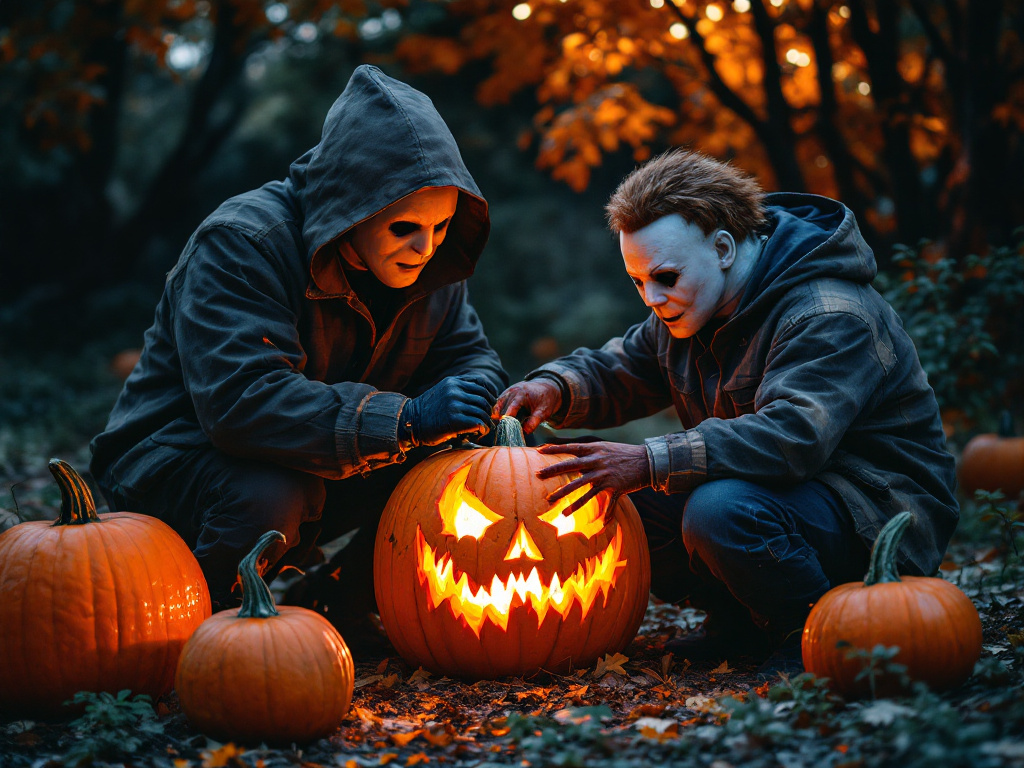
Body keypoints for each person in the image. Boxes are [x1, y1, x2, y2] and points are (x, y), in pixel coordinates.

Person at [494, 148, 958, 676]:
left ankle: (811, 637)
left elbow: (793, 436)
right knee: (609, 500)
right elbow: (622, 369)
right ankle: (742, 623)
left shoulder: (827, 312)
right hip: (787, 502)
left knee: (718, 509)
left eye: (665, 276)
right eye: (638, 282)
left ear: (722, 247)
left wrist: (650, 459)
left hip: (875, 515)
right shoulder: (694, 307)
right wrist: (556, 387)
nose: (652, 297)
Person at [90, 65, 507, 632]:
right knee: (272, 494)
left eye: (440, 227)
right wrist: (407, 419)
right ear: (353, 209)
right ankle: (190, 632)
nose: (425, 247)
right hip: (180, 461)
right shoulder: (243, 243)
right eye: (405, 227)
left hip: (324, 457)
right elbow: (243, 405)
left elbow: (467, 354)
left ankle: (345, 597)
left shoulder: (435, 264)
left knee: (466, 457)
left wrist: (479, 394)